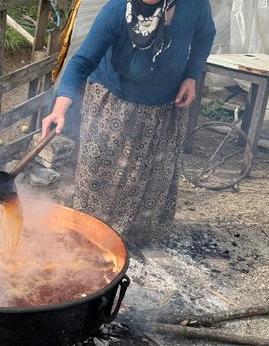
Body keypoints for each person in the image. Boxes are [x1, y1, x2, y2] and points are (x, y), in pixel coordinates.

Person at [42, 0, 215, 248]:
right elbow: (81, 62)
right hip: (114, 105)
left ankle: (136, 242)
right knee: (99, 178)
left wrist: (192, 75)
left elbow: (205, 36)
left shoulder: (195, 5)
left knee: (152, 179)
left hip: (164, 108)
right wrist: (59, 109)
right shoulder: (117, 11)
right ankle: (89, 239)